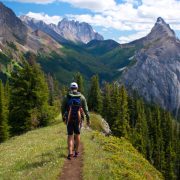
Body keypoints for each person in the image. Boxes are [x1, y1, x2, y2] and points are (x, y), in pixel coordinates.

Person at [61, 82, 90, 160]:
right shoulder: (82, 97)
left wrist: (63, 118)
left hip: (69, 119)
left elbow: (62, 108)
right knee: (77, 134)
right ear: (77, 88)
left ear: (70, 88)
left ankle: (70, 153)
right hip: (78, 119)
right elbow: (86, 109)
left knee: (70, 136)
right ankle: (76, 152)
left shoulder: (66, 97)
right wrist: (88, 118)